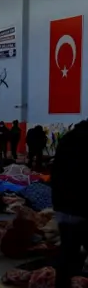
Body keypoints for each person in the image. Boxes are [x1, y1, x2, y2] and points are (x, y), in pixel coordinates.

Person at [51, 121, 88, 288]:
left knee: (67, 253)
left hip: (64, 207)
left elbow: (56, 173)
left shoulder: (67, 140)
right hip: (83, 206)